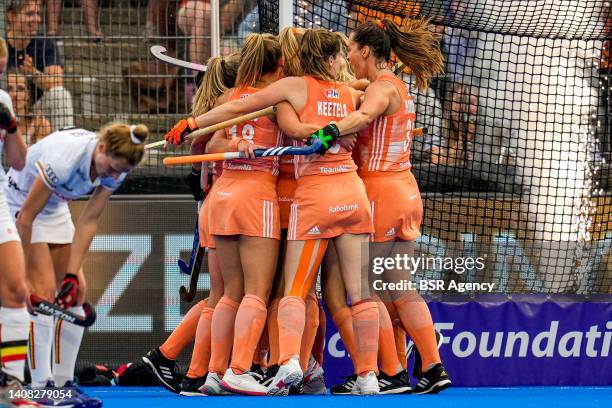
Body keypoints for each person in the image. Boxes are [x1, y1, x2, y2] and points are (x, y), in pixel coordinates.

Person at [164, 28, 381, 396]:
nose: (345, 61)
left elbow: (250, 113)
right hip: (352, 195)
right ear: (330, 60)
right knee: (358, 295)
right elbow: (367, 99)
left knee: (291, 291)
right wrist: (334, 128)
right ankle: (369, 375)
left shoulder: (291, 89)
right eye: (340, 56)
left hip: (311, 200)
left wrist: (192, 122)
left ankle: (282, 364)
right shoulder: (352, 92)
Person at [312, 17, 451, 394]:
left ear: (366, 51)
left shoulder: (381, 90)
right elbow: (358, 90)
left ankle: (390, 373)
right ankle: (433, 367)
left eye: (352, 50)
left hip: (379, 192)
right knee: (400, 287)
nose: (350, 57)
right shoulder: (396, 86)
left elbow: (363, 114)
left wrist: (327, 131)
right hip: (405, 189)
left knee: (367, 290)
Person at [6, 123, 149, 406]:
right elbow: (26, 217)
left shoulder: (118, 165)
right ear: (102, 147)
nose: (114, 175)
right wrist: (23, 278)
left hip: (55, 207)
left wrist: (71, 275)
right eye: (111, 169)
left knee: (77, 293)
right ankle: (41, 387)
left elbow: (89, 220)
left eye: (120, 172)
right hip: (20, 205)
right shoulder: (65, 159)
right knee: (44, 291)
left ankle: (63, 384)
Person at [142, 53, 240, 397]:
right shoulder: (229, 106)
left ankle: (175, 359)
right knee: (223, 295)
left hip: (215, 203)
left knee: (224, 294)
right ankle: (186, 365)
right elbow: (208, 147)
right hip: (223, 203)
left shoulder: (213, 108)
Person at [199, 33, 284, 396]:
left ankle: (214, 373)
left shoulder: (227, 97)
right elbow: (297, 135)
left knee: (229, 293)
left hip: (223, 195)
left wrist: (234, 142)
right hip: (255, 196)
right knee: (256, 292)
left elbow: (211, 142)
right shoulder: (277, 100)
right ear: (278, 64)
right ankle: (239, 368)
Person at [0, 36, 36, 406]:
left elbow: (19, 162)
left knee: (15, 290)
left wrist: (11, 126)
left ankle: (10, 386)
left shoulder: (3, 100)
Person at [6, 0, 75, 131]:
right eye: (30, 14)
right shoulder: (1, 42)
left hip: (35, 110)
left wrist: (33, 74)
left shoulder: (45, 43)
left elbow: (57, 82)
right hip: (4, 106)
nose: (36, 19)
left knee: (60, 94)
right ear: (11, 16)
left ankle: (64, 145)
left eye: (38, 13)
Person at [7, 70, 52, 144]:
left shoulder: (40, 124)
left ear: (27, 94)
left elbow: (41, 155)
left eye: (21, 89)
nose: (15, 94)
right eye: (9, 89)